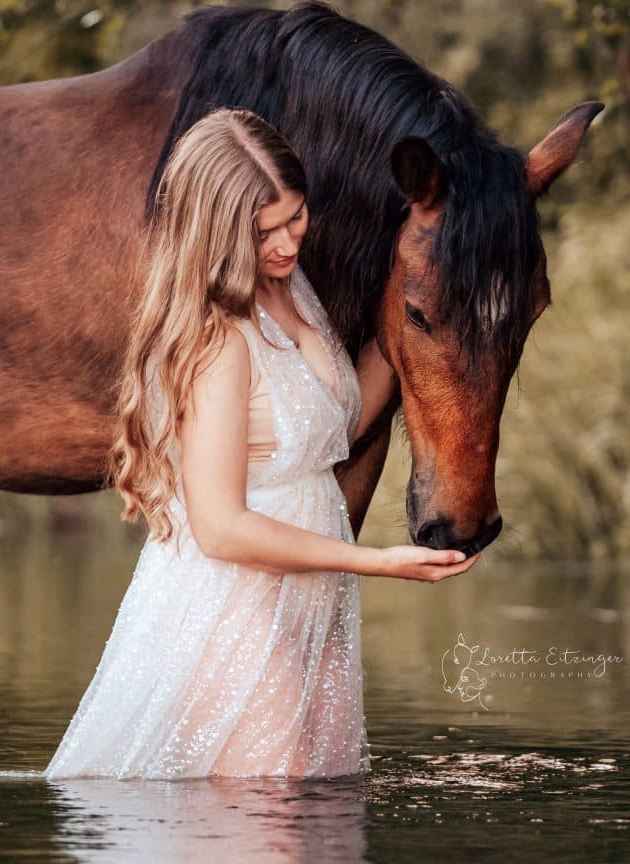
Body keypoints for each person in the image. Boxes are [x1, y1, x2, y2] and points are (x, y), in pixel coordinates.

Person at [43, 108, 481, 781]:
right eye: (262, 232)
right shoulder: (218, 339)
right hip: (233, 606)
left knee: (322, 819)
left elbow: (327, 425)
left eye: (295, 217)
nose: (285, 243)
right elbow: (220, 529)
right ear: (215, 234)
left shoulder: (290, 290)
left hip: (312, 599)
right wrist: (378, 562)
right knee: (266, 827)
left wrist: (408, 325)